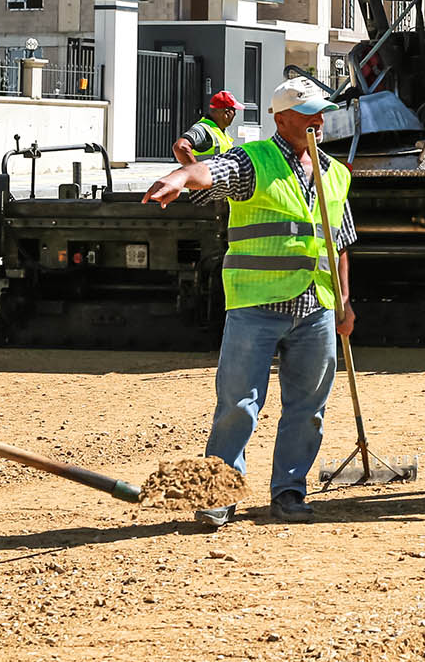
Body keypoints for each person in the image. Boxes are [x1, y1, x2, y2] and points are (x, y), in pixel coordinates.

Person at [143, 76, 354, 528]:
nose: (319, 120)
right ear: (282, 119)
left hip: (315, 307)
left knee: (308, 409)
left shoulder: (336, 173)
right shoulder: (253, 160)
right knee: (237, 404)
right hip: (256, 306)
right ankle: (219, 494)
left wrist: (344, 304)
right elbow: (211, 173)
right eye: (309, 113)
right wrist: (181, 176)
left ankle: (289, 494)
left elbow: (339, 242)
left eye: (322, 113)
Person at [174, 91, 241, 167]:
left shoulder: (221, 131)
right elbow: (180, 146)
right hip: (207, 178)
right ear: (226, 113)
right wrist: (195, 171)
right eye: (234, 111)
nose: (235, 114)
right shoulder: (203, 129)